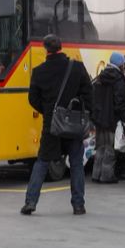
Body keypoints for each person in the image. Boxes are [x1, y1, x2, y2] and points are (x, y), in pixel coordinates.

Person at [22, 34, 93, 216]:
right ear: (61, 47)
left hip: (51, 125)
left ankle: (31, 202)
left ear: (45, 49)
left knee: (42, 162)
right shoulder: (76, 68)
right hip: (73, 125)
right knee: (76, 164)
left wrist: (49, 111)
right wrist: (79, 112)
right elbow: (89, 94)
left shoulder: (39, 72)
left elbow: (33, 99)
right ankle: (78, 205)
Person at [90, 52, 125, 184]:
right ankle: (107, 176)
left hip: (99, 118)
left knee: (100, 147)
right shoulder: (118, 79)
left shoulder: (100, 77)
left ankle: (96, 174)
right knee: (110, 148)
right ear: (120, 64)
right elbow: (120, 101)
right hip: (112, 118)